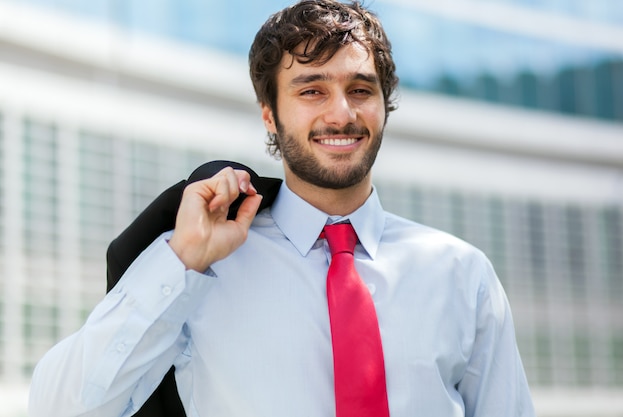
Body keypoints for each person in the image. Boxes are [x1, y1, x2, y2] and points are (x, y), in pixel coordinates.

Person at [29, 0, 536, 416]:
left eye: (360, 90)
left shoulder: (461, 274)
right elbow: (59, 408)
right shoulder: (205, 268)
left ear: (384, 106)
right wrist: (181, 260)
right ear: (270, 116)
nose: (341, 112)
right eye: (312, 90)